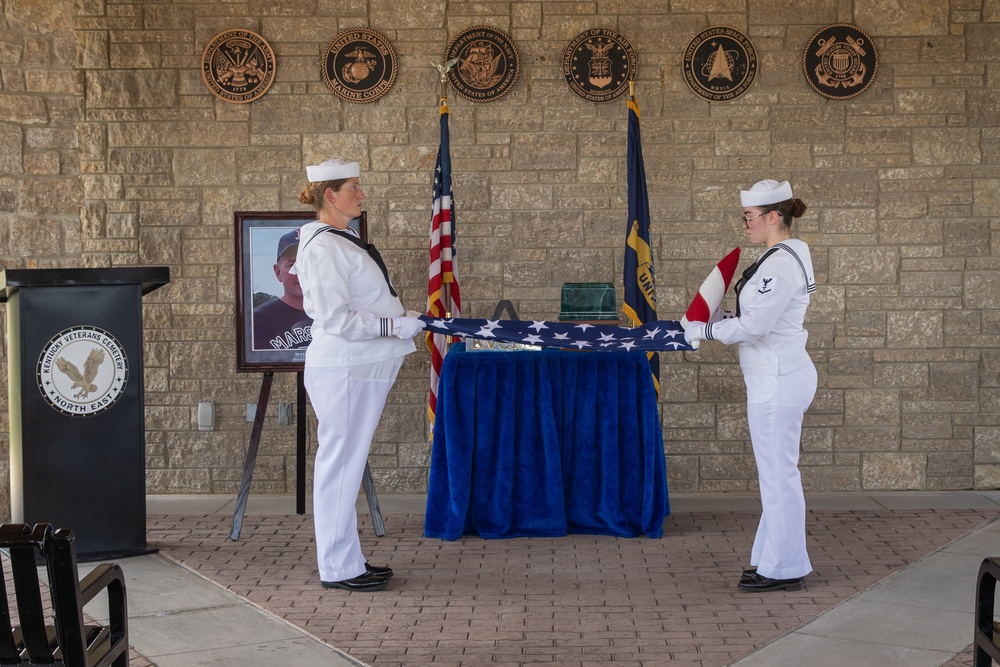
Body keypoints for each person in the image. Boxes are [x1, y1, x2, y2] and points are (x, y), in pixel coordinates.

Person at [291, 158, 425, 592]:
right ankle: (337, 567)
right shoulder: (326, 246)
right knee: (340, 467)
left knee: (346, 465)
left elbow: (362, 302)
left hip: (359, 367)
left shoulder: (340, 240)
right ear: (330, 195)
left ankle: (347, 560)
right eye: (354, 187)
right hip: (346, 368)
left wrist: (398, 315)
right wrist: (392, 326)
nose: (362, 194)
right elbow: (335, 318)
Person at [683, 179, 817, 593]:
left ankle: (786, 568)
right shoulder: (789, 252)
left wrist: (703, 329)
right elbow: (755, 315)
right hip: (780, 374)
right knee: (775, 476)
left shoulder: (778, 263)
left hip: (776, 380)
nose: (746, 225)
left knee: (778, 477)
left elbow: (755, 326)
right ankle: (769, 559)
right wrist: (718, 320)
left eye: (750, 217)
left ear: (774, 217)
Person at [252, 229, 312, 350]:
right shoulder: (258, 320)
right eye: (292, 265)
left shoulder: (337, 314)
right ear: (278, 272)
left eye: (309, 264)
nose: (301, 273)